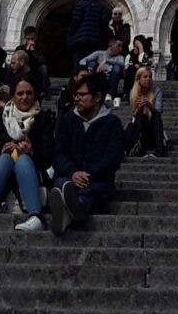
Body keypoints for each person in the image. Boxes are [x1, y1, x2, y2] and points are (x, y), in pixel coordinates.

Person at [0, 76, 55, 233]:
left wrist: (31, 152)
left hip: (29, 175)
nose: (25, 97)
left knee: (23, 159)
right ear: (13, 96)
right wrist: (1, 150)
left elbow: (48, 157)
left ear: (35, 95)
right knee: (5, 158)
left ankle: (35, 216)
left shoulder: (43, 119)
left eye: (29, 93)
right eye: (20, 93)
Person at [48, 72, 126, 236]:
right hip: (69, 175)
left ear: (97, 97)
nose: (77, 99)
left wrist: (88, 174)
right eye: (76, 94)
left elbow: (113, 158)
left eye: (82, 95)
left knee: (90, 192)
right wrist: (74, 172)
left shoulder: (112, 124)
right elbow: (59, 153)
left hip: (97, 180)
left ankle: (72, 212)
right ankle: (67, 213)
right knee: (62, 185)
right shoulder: (67, 120)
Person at [122, 66, 168, 157]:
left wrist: (149, 105)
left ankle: (159, 150)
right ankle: (134, 146)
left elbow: (158, 112)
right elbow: (133, 116)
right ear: (139, 79)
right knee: (140, 114)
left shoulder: (157, 91)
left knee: (155, 115)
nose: (148, 79)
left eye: (150, 77)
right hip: (139, 128)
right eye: (145, 77)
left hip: (153, 128)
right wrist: (140, 107)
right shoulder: (133, 92)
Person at [67, 0, 110, 70]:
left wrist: (70, 33)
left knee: (78, 60)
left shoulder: (81, 4)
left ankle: (78, 79)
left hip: (80, 39)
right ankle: (90, 78)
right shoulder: (100, 7)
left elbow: (76, 20)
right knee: (92, 59)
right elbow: (104, 23)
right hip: (94, 40)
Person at [79, 39, 127, 104]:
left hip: (111, 82)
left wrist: (106, 61)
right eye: (118, 46)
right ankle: (92, 92)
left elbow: (122, 64)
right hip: (99, 79)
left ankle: (109, 95)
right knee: (92, 63)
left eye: (121, 46)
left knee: (117, 67)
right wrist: (87, 68)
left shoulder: (120, 57)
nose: (121, 49)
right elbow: (83, 60)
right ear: (111, 45)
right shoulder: (99, 53)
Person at [17, 25, 51, 99]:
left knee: (44, 68)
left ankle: (44, 91)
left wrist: (34, 52)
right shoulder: (20, 48)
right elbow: (17, 60)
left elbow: (43, 61)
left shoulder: (40, 48)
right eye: (28, 39)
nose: (30, 41)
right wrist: (26, 51)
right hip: (24, 72)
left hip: (36, 72)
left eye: (32, 38)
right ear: (25, 38)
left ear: (36, 38)